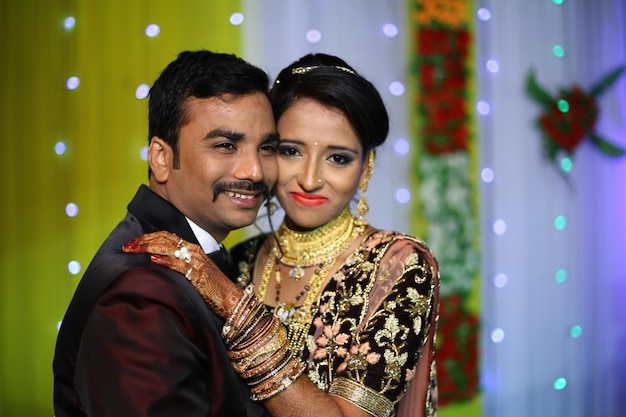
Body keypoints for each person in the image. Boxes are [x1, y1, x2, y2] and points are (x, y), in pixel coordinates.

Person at [125, 53, 440, 417]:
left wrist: (235, 307)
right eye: (290, 151)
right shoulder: (238, 259)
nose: (309, 179)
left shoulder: (398, 265)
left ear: (365, 168)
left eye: (338, 158)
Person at [52, 50, 279, 417]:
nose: (254, 170)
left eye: (266, 148)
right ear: (160, 157)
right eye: (225, 145)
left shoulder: (195, 256)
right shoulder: (141, 293)